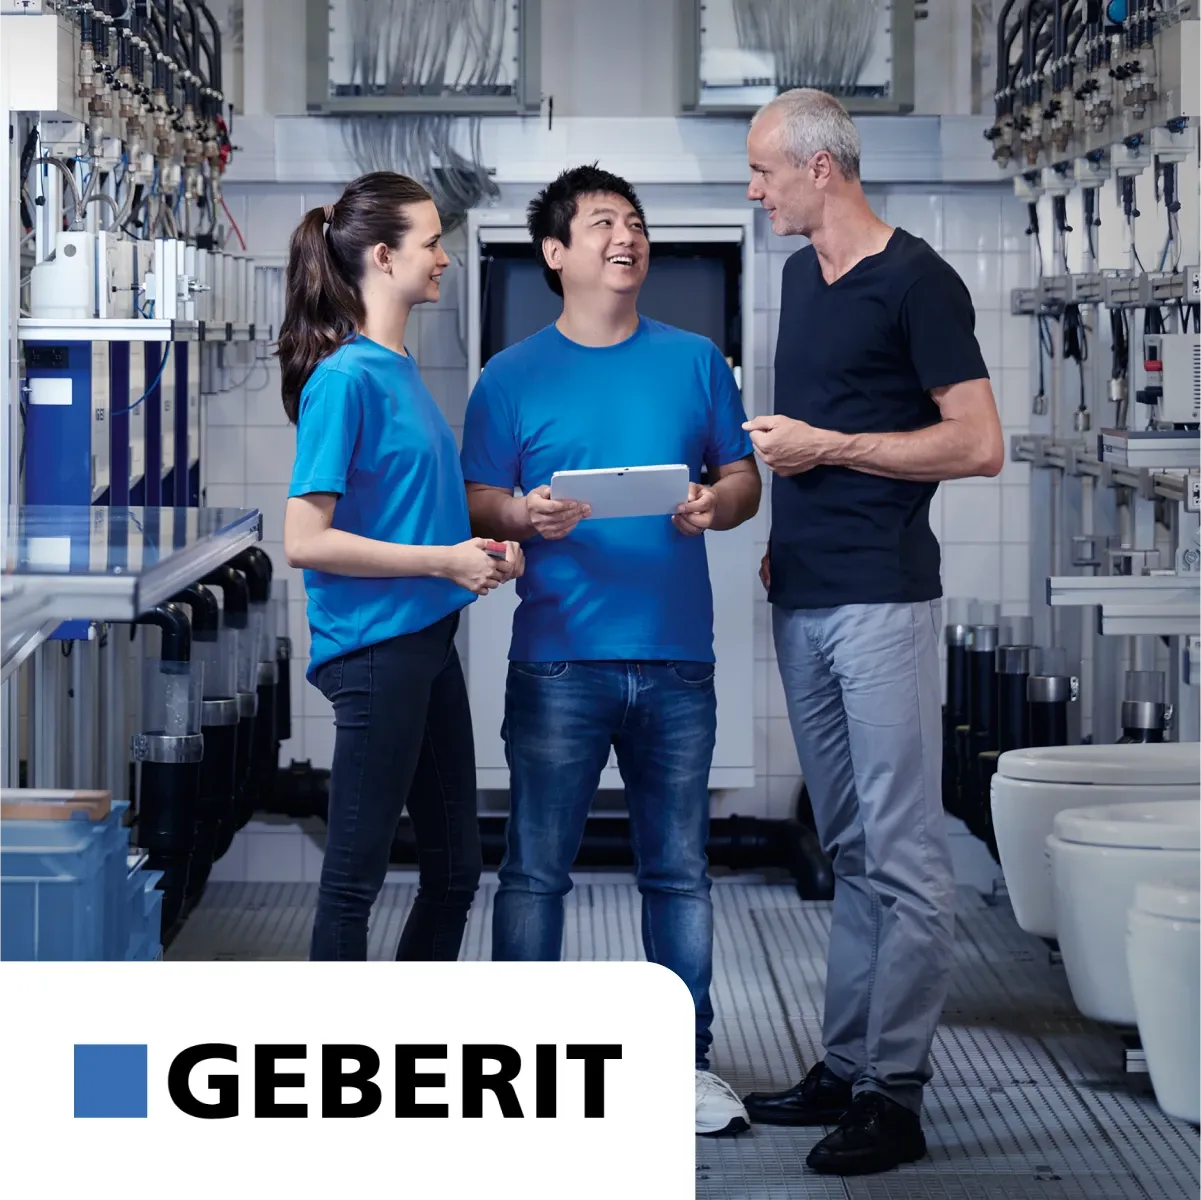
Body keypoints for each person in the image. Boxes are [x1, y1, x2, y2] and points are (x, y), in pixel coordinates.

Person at [459, 164, 762, 1137]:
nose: (624, 236)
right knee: (536, 870)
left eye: (633, 222)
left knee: (676, 871)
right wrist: (522, 511)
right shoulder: (509, 377)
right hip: (557, 659)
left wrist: (717, 504)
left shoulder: (695, 363)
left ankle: (685, 1068)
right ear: (555, 254)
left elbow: (743, 478)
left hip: (676, 658)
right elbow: (476, 499)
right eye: (600, 224)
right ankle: (524, 1073)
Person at [740, 90, 1004, 1176]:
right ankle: (845, 1066)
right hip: (804, 594)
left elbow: (978, 443)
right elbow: (809, 445)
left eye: (761, 173)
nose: (752, 192)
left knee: (905, 856)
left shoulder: (918, 280)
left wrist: (828, 448)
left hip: (882, 603)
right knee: (845, 845)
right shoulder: (802, 278)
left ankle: (894, 1092)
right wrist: (788, 526)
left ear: (819, 170)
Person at [278, 171, 523, 963]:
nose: (444, 257)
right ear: (383, 257)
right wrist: (440, 562)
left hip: (424, 641)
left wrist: (479, 552)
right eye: (430, 243)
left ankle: (408, 1044)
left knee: (455, 871)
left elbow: (407, 507)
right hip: (374, 652)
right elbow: (304, 539)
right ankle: (337, 1076)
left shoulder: (399, 370)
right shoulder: (343, 380)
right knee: (354, 881)